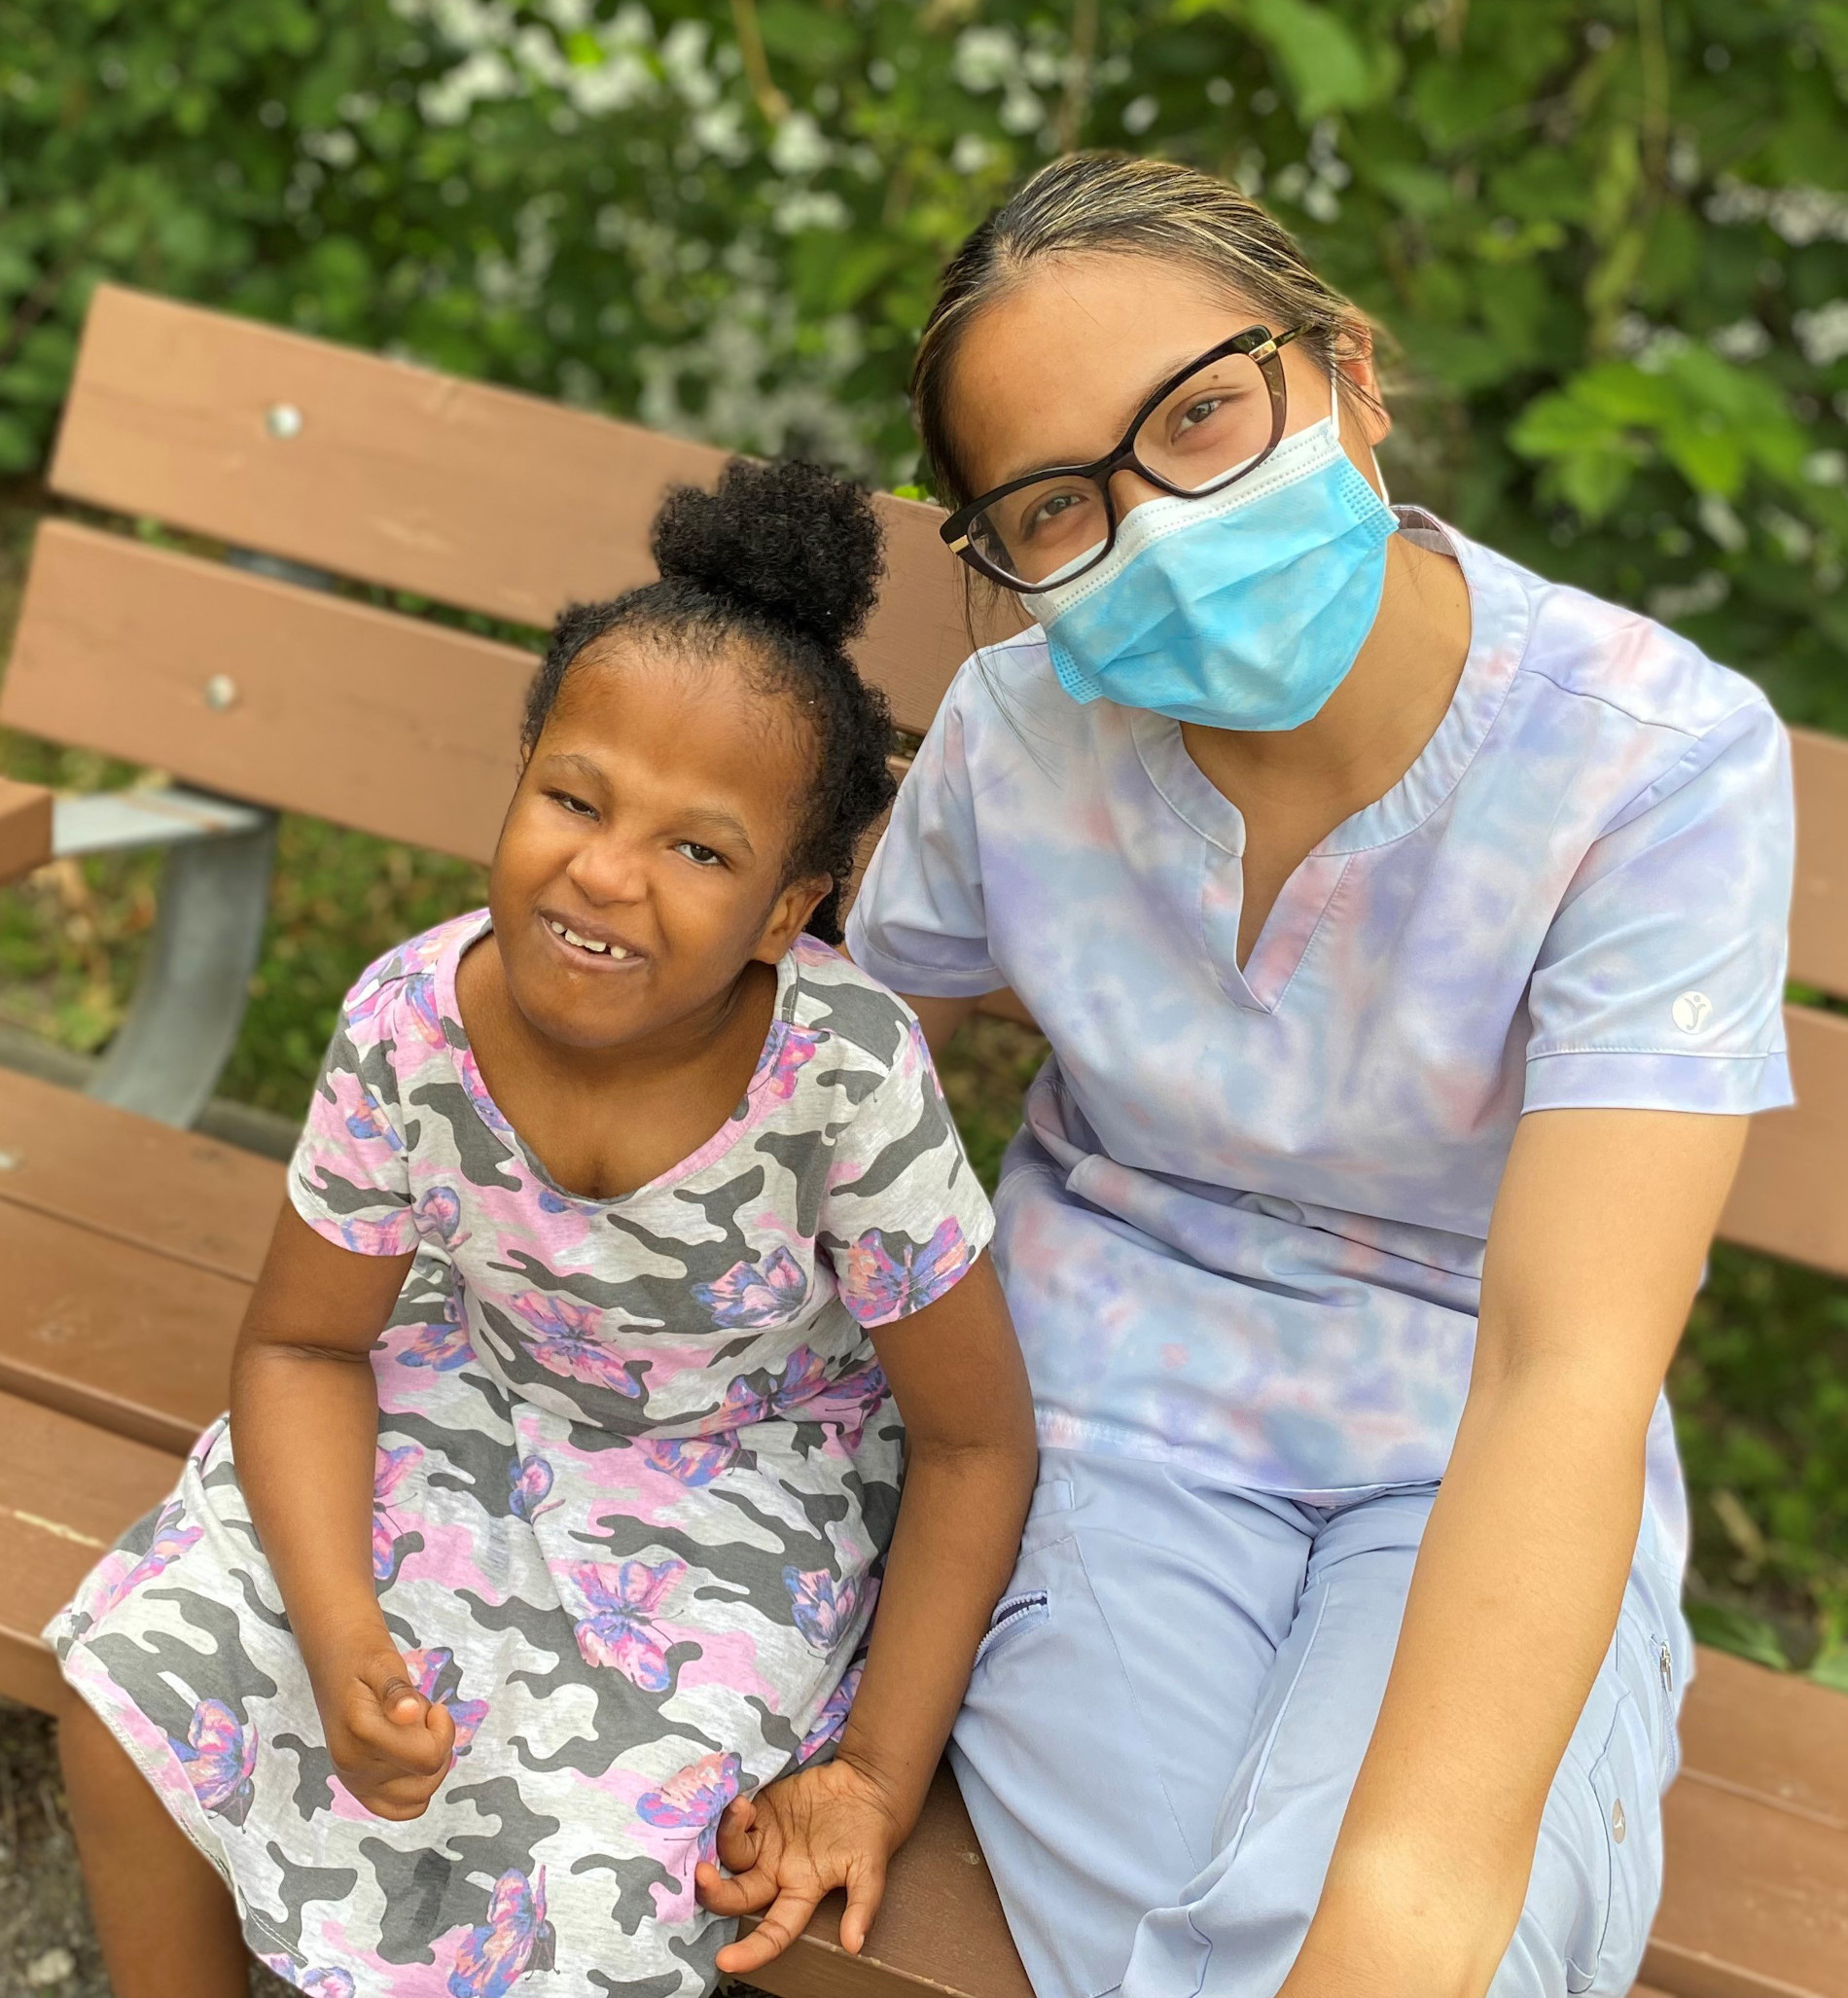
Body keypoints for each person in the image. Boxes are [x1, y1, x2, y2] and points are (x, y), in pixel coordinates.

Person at [846, 153, 1795, 1998]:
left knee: (1427, 1951)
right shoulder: (1016, 738)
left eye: (1201, 415)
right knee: (1180, 1948)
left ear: (1347, 377)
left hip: (1480, 1433)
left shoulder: (1652, 768)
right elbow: (831, 1096)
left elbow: (1568, 1362)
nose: (1163, 526)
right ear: (999, 558)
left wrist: (1417, 1903)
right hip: (1100, 1415)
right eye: (1055, 508)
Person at [50, 457, 1037, 1998]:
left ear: (789, 907)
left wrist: (876, 1775)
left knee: (586, 1888)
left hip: (741, 1489)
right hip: (464, 1400)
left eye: (699, 850)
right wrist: (340, 1630)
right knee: (132, 1710)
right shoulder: (409, 1022)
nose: (603, 869)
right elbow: (307, 1344)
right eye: (574, 797)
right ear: (518, 779)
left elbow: (978, 1443)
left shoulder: (842, 1078)